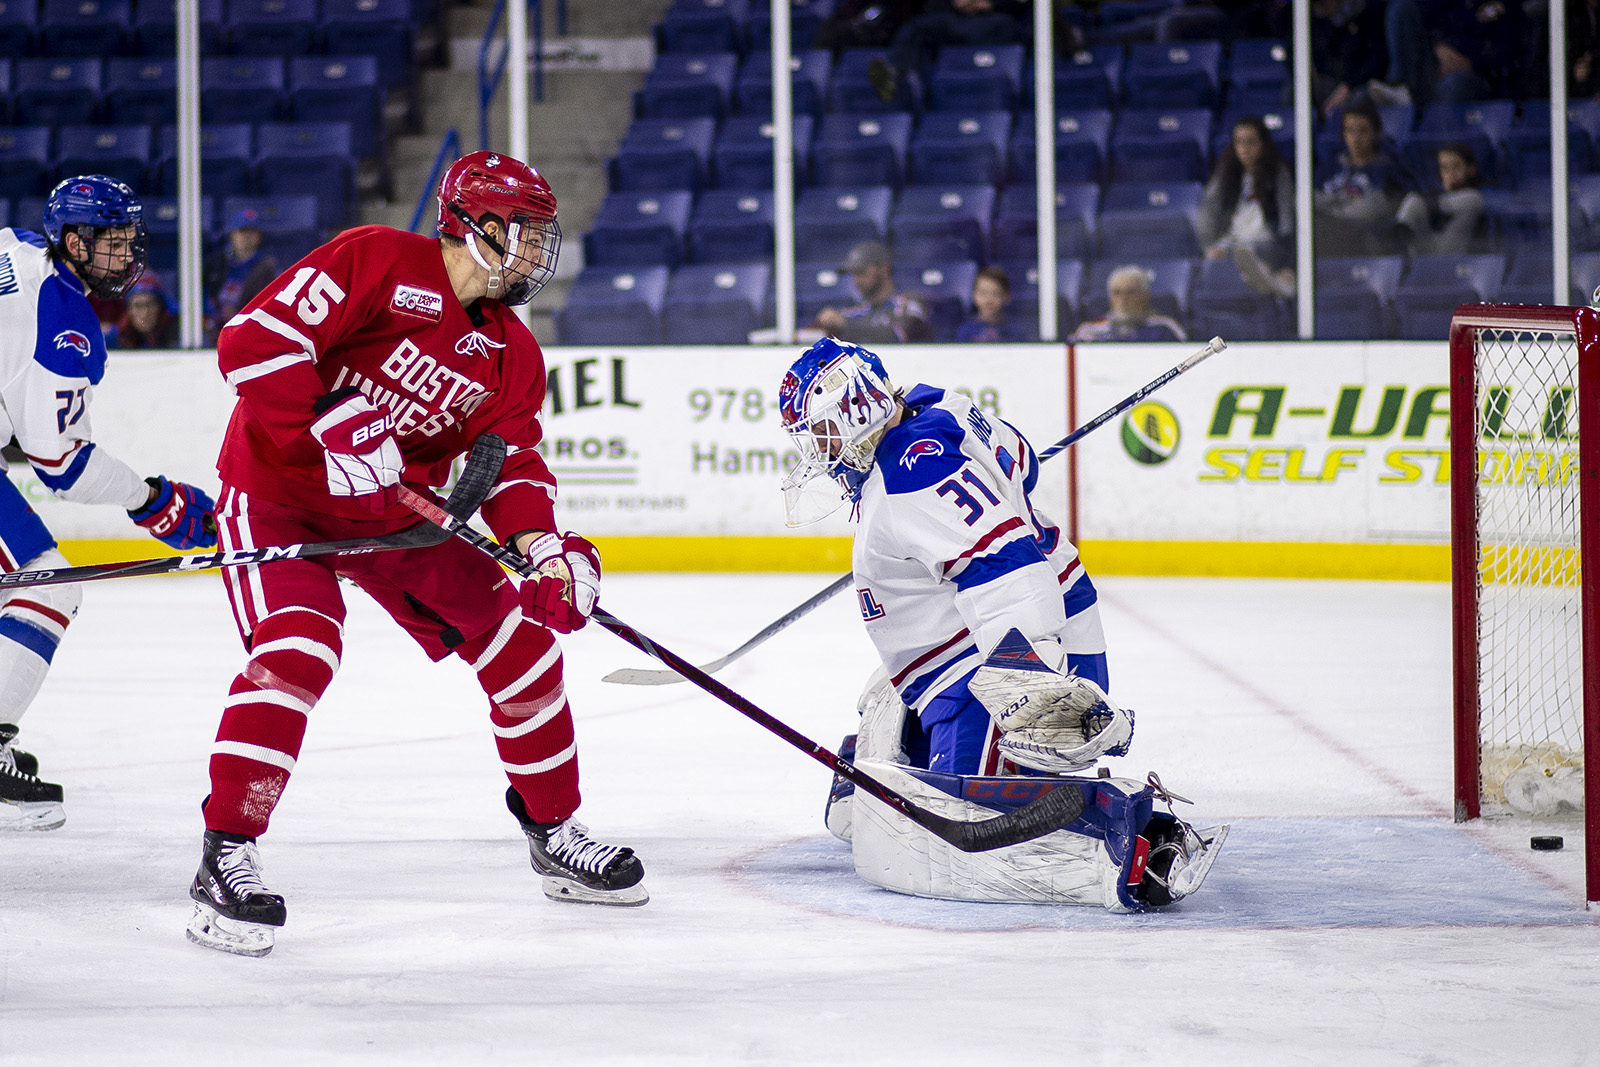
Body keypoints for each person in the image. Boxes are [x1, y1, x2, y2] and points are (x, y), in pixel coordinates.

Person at [185, 150, 647, 958]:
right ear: (477, 225)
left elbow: (514, 466)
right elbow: (252, 340)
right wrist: (329, 411)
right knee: (298, 648)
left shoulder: (513, 353)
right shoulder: (375, 258)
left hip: (397, 518)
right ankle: (226, 849)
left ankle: (554, 830)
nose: (541, 252)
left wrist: (547, 551)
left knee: (526, 649)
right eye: (529, 233)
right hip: (279, 494)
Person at [775, 340, 1223, 910]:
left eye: (820, 433)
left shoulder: (910, 476)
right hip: (992, 637)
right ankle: (892, 757)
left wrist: (1028, 680)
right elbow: (1026, 464)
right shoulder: (937, 408)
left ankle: (1133, 837)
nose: (817, 451)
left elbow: (1002, 564)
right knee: (885, 697)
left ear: (852, 409)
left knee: (971, 822)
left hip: (989, 665)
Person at [0, 176, 218, 831]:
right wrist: (155, 502)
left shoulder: (14, 249)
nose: (127, 257)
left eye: (130, 242)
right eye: (112, 243)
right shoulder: (63, 315)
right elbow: (61, 464)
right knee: (47, 588)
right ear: (72, 241)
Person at [1197, 116, 1297, 300]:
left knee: (1253, 253)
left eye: (1251, 142)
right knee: (1213, 259)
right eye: (1240, 143)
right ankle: (1264, 280)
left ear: (1262, 144)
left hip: (1267, 241)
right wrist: (1209, 246)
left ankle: (1264, 276)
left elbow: (1286, 222)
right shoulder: (1225, 174)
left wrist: (1288, 263)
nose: (1245, 149)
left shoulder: (1278, 174)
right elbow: (1207, 211)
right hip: (1233, 242)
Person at [866, 0, 1029, 104]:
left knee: (1008, 26)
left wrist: (988, 4)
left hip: (996, 20)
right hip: (954, 20)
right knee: (916, 27)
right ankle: (894, 74)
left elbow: (1024, 5)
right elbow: (929, 7)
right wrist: (956, 4)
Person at [1312, 100, 1414, 257]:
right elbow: (1312, 201)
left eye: (1363, 131)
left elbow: (1379, 209)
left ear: (1376, 132)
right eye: (1350, 131)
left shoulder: (1389, 171)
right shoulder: (1328, 168)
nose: (1356, 139)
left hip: (1366, 243)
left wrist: (1335, 207)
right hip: (1329, 237)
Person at [814, 240, 933, 344]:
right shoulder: (854, 312)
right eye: (853, 274)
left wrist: (846, 325)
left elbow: (902, 334)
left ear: (883, 269)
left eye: (861, 272)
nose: (856, 281)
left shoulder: (909, 302)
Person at [1394, 141, 1486, 256]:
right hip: (1429, 253)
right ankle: (1398, 241)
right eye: (1444, 168)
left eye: (1456, 167)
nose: (1450, 173)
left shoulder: (1476, 197)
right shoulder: (1435, 198)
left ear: (1471, 169)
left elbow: (1441, 204)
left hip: (1463, 262)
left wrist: (1431, 200)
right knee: (1413, 199)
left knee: (1419, 202)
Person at [205, 208, 278, 342]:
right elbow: (199, 292)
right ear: (232, 234)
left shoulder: (268, 268)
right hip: (214, 325)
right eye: (242, 231)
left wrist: (239, 312)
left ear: (259, 236)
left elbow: (270, 304)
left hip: (248, 327)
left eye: (252, 232)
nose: (247, 237)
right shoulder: (215, 262)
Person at [1070, 265, 1186, 342]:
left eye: (1131, 292)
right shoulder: (1089, 331)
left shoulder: (1165, 328)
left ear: (1145, 296)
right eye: (1117, 293)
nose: (1123, 299)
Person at [108, 274, 180, 349]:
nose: (144, 313)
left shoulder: (179, 334)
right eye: (137, 305)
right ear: (128, 310)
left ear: (161, 307)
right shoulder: (116, 337)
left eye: (150, 304)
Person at [955, 265, 1016, 342]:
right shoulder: (966, 330)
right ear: (974, 296)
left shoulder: (1015, 331)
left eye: (996, 293)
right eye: (983, 293)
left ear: (1007, 297)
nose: (988, 300)